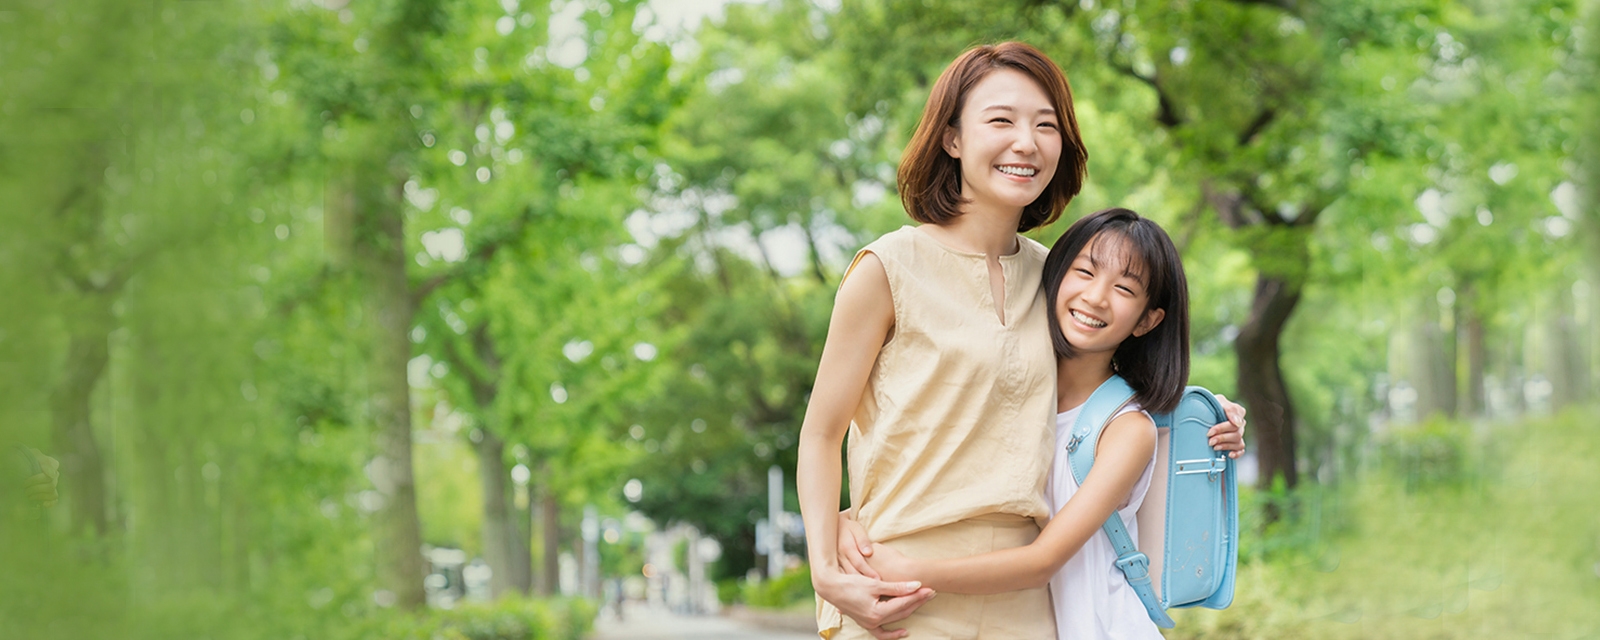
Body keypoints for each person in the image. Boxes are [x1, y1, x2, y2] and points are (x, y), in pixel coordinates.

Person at [796, 43, 1245, 640]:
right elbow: (821, 433)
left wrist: (1201, 414)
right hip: (898, 593)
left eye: (1046, 126)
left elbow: (1100, 388)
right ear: (952, 137)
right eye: (1001, 120)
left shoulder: (1057, 276)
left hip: (1028, 604)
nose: (1026, 143)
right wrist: (826, 565)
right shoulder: (888, 268)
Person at [863, 207, 1201, 639]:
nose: (1097, 297)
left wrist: (909, 572)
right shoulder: (1016, 396)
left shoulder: (1127, 429)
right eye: (1085, 272)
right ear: (1056, 276)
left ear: (1147, 321)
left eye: (1124, 289)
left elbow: (1043, 561)